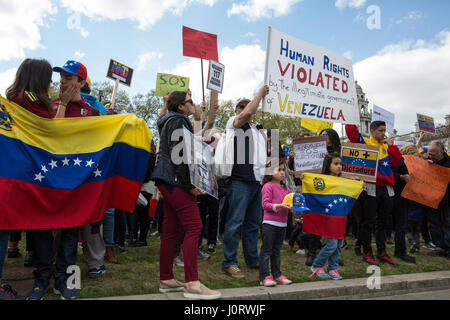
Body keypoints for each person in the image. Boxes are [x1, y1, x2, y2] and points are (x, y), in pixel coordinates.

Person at [6, 58, 93, 300]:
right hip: (43, 179)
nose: (63, 81)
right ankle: (41, 280)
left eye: (69, 77)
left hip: (73, 181)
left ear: (81, 83)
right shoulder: (47, 105)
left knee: (68, 232)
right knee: (41, 229)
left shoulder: (93, 112)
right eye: (61, 76)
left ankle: (63, 280)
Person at [151, 90, 221, 300]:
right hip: (176, 182)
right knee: (194, 226)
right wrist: (189, 184)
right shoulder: (179, 121)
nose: (193, 105)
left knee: (171, 231)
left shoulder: (172, 120)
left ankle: (167, 279)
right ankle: (192, 283)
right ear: (181, 106)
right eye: (190, 102)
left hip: (167, 181)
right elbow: (179, 156)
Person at [221, 85, 269, 278]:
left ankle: (252, 259)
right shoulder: (233, 123)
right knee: (235, 222)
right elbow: (248, 113)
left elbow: (265, 158)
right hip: (239, 180)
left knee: (253, 224)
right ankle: (229, 261)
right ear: (235, 111)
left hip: (256, 183)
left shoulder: (258, 131)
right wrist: (260, 94)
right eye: (240, 107)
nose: (243, 109)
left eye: (245, 106)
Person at [346, 121, 403, 266]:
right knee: (368, 222)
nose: (383, 133)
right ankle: (367, 252)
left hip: (387, 187)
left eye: (384, 130)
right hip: (371, 186)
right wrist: (352, 114)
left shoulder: (386, 145)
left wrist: (392, 146)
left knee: (383, 222)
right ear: (372, 131)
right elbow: (351, 133)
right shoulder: (364, 142)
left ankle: (382, 252)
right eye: (380, 130)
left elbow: (397, 163)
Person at [308, 153, 349, 280]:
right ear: (328, 165)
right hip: (328, 217)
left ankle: (333, 268)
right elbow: (314, 186)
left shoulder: (343, 180)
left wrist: (359, 186)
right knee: (331, 244)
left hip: (340, 216)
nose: (339, 167)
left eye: (341, 164)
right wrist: (305, 177)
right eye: (335, 164)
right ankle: (317, 265)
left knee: (339, 244)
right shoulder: (322, 180)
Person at [259, 159, 294, 286]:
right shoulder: (267, 186)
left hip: (282, 224)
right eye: (278, 170)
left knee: (277, 251)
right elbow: (265, 205)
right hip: (269, 223)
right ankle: (264, 277)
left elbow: (289, 205)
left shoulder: (286, 188)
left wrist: (293, 208)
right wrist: (280, 206)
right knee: (266, 251)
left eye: (283, 170)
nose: (282, 172)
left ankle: (277, 275)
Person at [392, 144, 419, 263]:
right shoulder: (400, 162)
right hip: (398, 196)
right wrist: (402, 177)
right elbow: (390, 174)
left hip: (402, 196)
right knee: (400, 225)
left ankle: (400, 249)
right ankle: (400, 251)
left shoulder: (400, 161)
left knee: (400, 224)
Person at [425, 141, 450, 259]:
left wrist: (434, 167)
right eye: (429, 154)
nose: (431, 156)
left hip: (446, 199)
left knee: (448, 223)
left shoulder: (448, 163)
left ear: (441, 152)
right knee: (434, 223)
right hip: (432, 198)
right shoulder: (427, 162)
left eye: (433, 154)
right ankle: (439, 246)